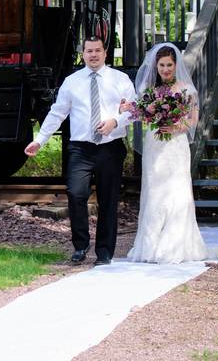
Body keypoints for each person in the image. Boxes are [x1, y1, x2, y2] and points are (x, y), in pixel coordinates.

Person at [24, 36, 136, 265]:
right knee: (75, 194)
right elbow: (58, 113)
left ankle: (104, 252)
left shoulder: (120, 79)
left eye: (97, 50)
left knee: (108, 200)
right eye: (89, 51)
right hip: (80, 148)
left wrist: (115, 121)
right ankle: (80, 246)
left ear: (106, 53)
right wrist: (40, 139)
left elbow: (132, 111)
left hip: (110, 147)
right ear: (82, 54)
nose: (93, 55)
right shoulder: (71, 81)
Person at [122, 43, 218, 263]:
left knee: (176, 192)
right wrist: (130, 109)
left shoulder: (187, 89)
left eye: (169, 65)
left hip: (176, 146)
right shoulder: (150, 91)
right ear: (156, 66)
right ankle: (150, 246)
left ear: (175, 65)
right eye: (162, 65)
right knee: (154, 192)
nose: (166, 69)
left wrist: (175, 127)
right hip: (155, 145)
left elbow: (192, 119)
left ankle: (174, 246)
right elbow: (141, 113)